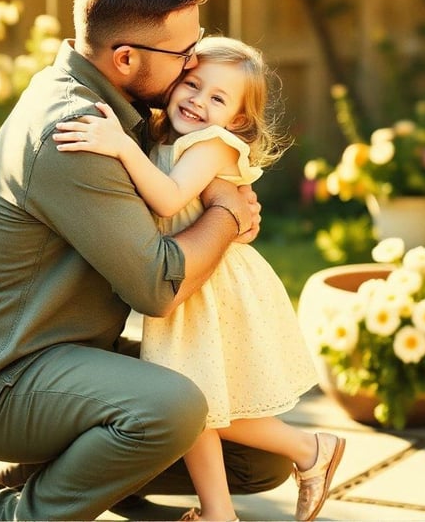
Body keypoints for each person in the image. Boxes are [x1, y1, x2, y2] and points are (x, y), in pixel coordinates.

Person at [0, 0, 293, 522]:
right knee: (175, 407)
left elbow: (178, 190)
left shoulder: (117, 108)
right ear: (125, 57)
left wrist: (219, 187)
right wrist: (225, 213)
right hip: (5, 382)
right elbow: (158, 287)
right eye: (185, 55)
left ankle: (67, 477)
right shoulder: (75, 132)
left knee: (253, 454)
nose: (191, 68)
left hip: (72, 356)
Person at [53, 35, 346, 522]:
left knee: (200, 402)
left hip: (211, 285)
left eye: (217, 98)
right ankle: (219, 512)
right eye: (192, 83)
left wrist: (120, 147)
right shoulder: (168, 136)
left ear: (237, 121)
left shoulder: (213, 144)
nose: (197, 100)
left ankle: (309, 447)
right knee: (195, 403)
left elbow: (168, 199)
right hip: (188, 280)